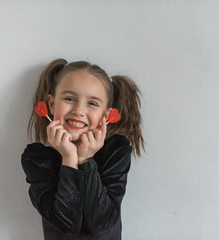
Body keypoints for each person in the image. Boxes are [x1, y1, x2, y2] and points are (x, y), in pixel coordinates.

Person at [21, 58, 144, 239]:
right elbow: (67, 224)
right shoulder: (37, 158)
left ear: (107, 115)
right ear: (52, 104)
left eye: (92, 103)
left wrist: (86, 160)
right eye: (69, 99)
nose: (79, 110)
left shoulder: (116, 150)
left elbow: (101, 222)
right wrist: (69, 160)